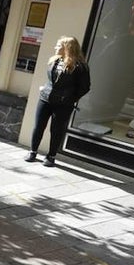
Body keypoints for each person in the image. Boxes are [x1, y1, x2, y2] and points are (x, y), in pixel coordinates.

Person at [26, 36, 91, 167]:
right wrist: (45, 88)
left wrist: (71, 98)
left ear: (67, 48)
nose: (55, 48)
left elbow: (85, 87)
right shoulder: (54, 60)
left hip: (63, 103)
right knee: (38, 126)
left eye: (58, 45)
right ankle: (32, 151)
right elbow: (51, 80)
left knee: (56, 130)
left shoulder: (80, 66)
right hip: (45, 98)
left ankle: (51, 156)